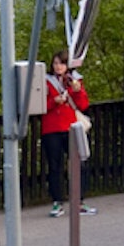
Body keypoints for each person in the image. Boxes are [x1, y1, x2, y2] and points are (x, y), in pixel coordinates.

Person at [41, 50, 96, 218]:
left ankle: (79, 201)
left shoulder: (75, 80)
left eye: (62, 63)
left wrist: (78, 91)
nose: (58, 67)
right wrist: (53, 102)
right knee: (55, 166)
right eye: (56, 63)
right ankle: (57, 201)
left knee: (80, 163)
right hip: (51, 127)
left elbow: (83, 105)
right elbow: (39, 105)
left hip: (71, 125)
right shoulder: (45, 81)